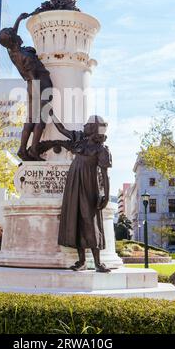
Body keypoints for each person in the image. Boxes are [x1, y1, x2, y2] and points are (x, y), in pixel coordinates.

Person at [50, 110, 112, 272]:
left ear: (92, 128)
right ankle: (81, 261)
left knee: (90, 223)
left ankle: (98, 263)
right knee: (75, 220)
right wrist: (51, 115)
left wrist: (105, 195)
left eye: (87, 125)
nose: (84, 126)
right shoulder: (79, 139)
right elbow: (62, 130)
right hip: (73, 185)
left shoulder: (102, 149)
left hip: (89, 187)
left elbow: (105, 175)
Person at [0, 13, 53, 161]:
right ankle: (34, 150)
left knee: (30, 119)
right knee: (39, 120)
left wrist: (19, 19)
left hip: (30, 86)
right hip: (38, 86)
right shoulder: (26, 56)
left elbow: (10, 35)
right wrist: (42, 98)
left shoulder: (12, 52)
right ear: (14, 40)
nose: (18, 35)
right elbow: (35, 77)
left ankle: (23, 149)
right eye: (14, 34)